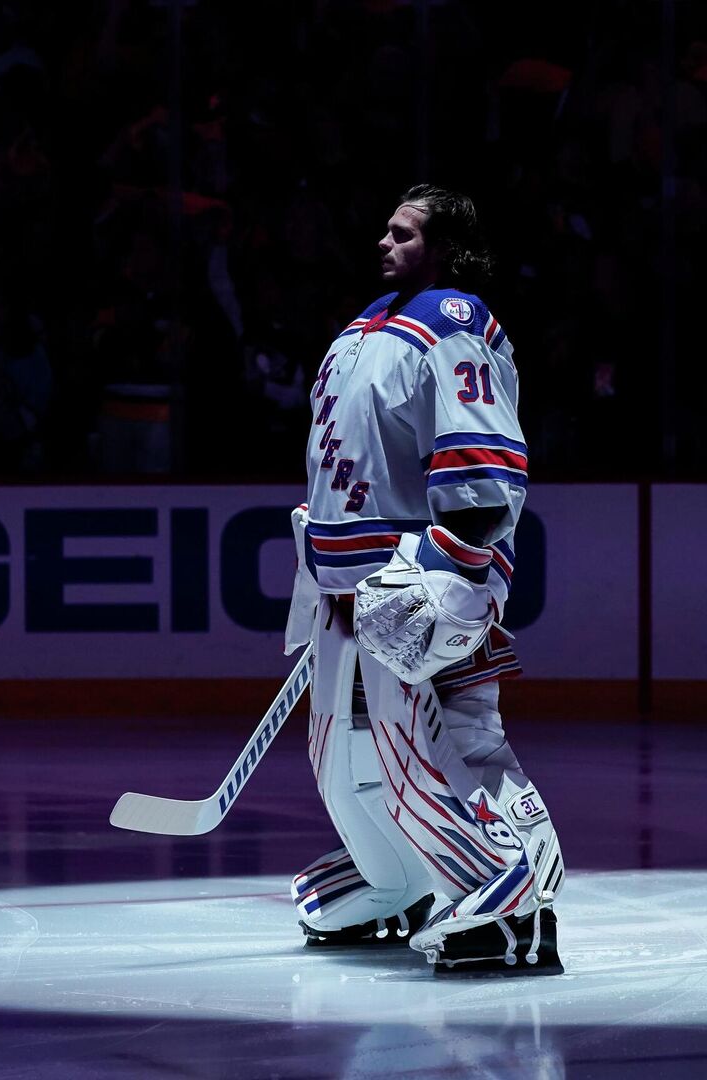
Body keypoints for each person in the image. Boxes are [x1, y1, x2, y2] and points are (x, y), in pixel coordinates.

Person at [282, 185, 563, 976]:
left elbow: (484, 462)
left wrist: (453, 571)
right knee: (340, 763)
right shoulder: (364, 326)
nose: (383, 242)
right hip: (342, 594)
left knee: (425, 756)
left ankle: (510, 904)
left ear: (444, 249)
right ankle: (399, 880)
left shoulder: (454, 324)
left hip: (411, 583)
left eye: (402, 233)